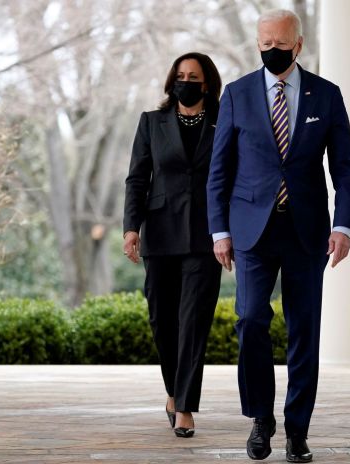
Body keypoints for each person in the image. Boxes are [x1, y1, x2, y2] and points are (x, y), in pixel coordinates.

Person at [207, 9, 350, 463]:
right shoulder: (236, 95)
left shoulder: (326, 96)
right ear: (257, 43)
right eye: (264, 43)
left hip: (307, 231)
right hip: (250, 230)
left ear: (299, 43)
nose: (272, 50)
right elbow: (219, 171)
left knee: (304, 331)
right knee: (251, 320)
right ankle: (260, 420)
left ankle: (297, 430)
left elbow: (345, 168)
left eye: (280, 43)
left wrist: (343, 224)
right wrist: (219, 230)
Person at [123, 52, 223, 439]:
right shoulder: (152, 122)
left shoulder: (223, 122)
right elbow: (137, 179)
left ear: (207, 84)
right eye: (181, 76)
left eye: (194, 77)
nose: (186, 82)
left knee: (194, 323)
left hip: (206, 237)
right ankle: (173, 392)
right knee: (162, 321)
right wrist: (132, 228)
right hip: (161, 233)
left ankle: (184, 407)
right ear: (171, 81)